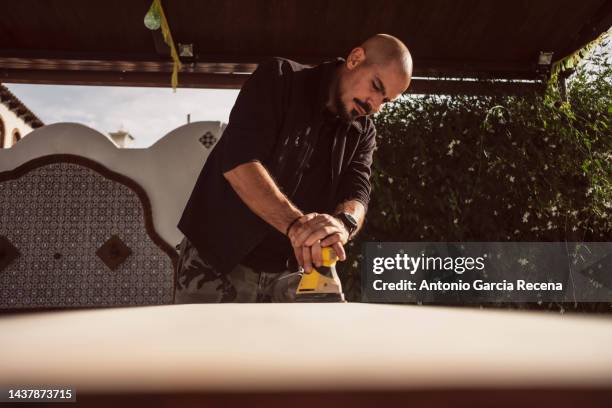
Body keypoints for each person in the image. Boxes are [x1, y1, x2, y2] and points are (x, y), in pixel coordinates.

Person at [175, 33, 412, 303]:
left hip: (295, 270)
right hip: (217, 258)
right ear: (355, 58)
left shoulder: (364, 132)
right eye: (376, 86)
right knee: (201, 346)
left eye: (385, 101)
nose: (374, 105)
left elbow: (358, 191)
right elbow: (239, 163)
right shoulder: (279, 78)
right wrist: (297, 226)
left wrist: (342, 224)